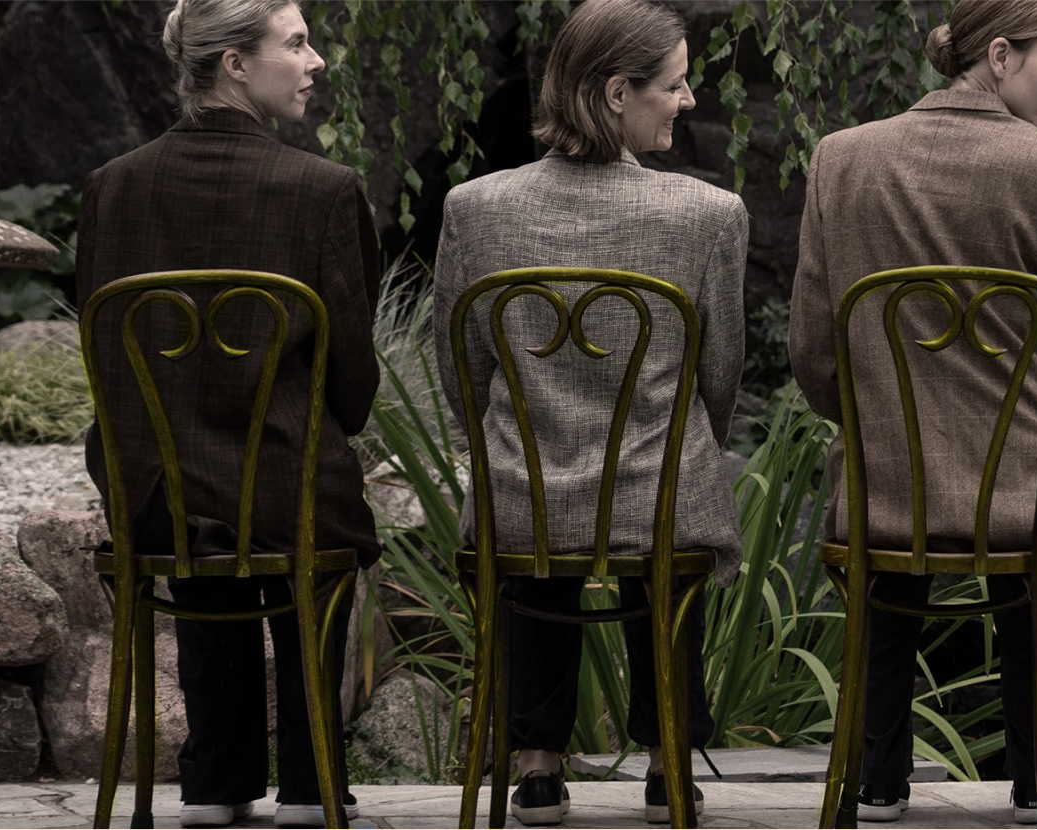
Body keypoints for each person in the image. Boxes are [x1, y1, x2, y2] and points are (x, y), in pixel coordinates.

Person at [785, 0, 1037, 823]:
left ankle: (879, 782)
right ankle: (1036, 781)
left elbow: (814, 348)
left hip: (886, 490)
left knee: (892, 545)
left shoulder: (841, 158)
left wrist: (872, 420)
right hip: (1020, 500)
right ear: (998, 56)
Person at [432, 0, 746, 824]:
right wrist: (678, 439)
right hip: (656, 489)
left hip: (520, 491)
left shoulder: (475, 208)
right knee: (672, 499)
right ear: (616, 93)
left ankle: (536, 767)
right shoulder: (709, 216)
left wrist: (498, 443)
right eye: (673, 86)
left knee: (536, 514)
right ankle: (666, 758)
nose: (685, 101)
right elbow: (719, 381)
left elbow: (459, 367)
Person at [74, 0, 380, 827]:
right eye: (297, 42)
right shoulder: (323, 191)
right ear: (234, 65)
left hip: (157, 501)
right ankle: (314, 781)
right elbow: (350, 376)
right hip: (288, 494)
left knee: (203, 500)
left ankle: (216, 779)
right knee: (294, 498)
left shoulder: (112, 188)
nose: (317, 61)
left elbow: (105, 361)